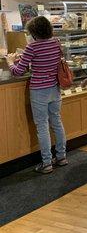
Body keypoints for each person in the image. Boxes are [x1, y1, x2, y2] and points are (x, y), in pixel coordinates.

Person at [7, 16, 67, 174]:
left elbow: (18, 71)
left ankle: (46, 163)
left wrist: (10, 62)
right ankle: (61, 157)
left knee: (42, 127)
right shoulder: (56, 43)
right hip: (55, 88)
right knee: (57, 122)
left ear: (33, 33)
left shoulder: (32, 47)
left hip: (39, 91)